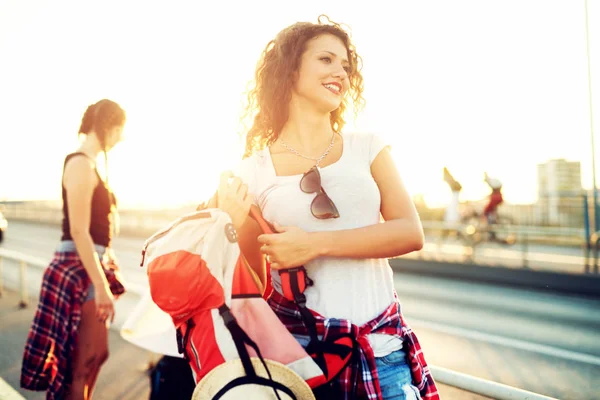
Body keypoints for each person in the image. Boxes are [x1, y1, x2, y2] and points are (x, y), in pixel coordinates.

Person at [209, 15, 439, 400]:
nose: (341, 73)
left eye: (346, 66)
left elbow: (409, 232)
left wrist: (314, 244)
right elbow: (252, 283)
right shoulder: (252, 171)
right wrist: (232, 226)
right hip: (300, 364)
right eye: (326, 60)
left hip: (382, 354)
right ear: (290, 69)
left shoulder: (368, 146)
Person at [21, 99, 127, 400]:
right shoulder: (80, 163)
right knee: (82, 363)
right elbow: (79, 231)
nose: (121, 137)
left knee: (95, 357)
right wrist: (101, 284)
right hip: (78, 267)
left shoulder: (90, 164)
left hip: (88, 262)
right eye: (119, 129)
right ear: (106, 127)